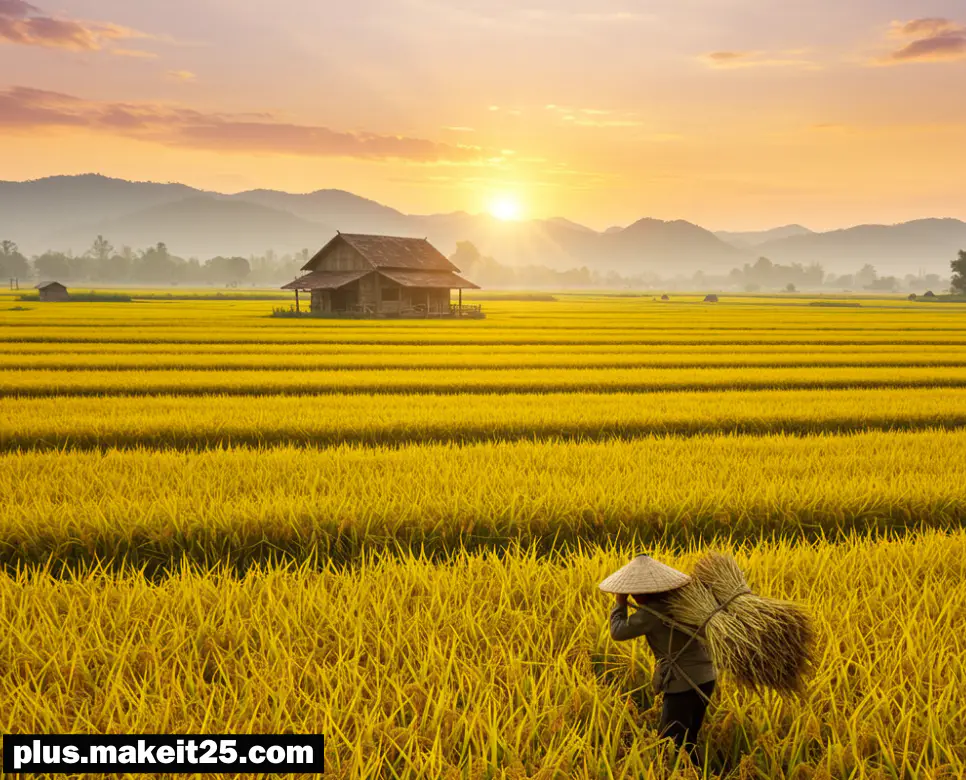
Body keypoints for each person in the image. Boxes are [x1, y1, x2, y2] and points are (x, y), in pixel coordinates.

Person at [601, 555, 717, 761]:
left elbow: (617, 632)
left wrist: (620, 603)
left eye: (635, 593)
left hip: (684, 683)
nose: (634, 597)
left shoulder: (652, 613)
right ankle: (696, 772)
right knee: (689, 737)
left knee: (670, 743)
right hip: (707, 677)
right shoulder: (688, 602)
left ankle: (682, 774)